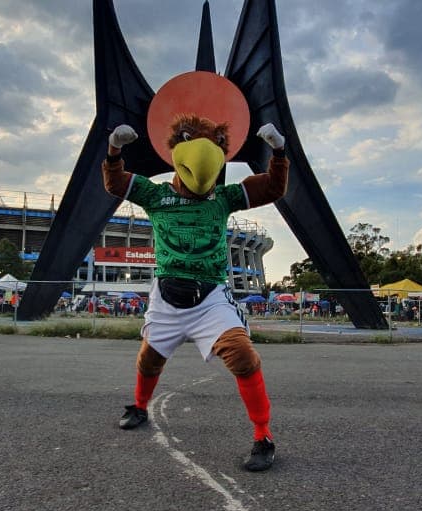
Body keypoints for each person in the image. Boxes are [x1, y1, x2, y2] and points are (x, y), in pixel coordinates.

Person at [103, 115, 289, 472]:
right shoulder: (155, 195)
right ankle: (140, 406)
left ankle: (263, 435)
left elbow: (273, 188)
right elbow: (115, 183)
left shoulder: (223, 197)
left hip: (209, 297)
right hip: (167, 296)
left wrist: (279, 153)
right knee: (149, 359)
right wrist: (114, 151)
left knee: (241, 354)